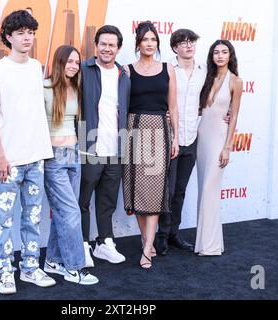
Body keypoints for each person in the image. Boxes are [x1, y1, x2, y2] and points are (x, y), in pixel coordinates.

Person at [0, 10, 56, 295]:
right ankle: (5, 271)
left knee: (33, 218)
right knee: (3, 220)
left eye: (31, 32)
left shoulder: (37, 67)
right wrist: (0, 155)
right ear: (8, 37)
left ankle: (30, 267)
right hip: (7, 161)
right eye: (21, 32)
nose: (28, 37)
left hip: (36, 158)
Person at [123, 21, 179, 269]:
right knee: (136, 188)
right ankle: (147, 239)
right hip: (133, 128)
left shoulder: (168, 69)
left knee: (155, 189)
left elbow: (173, 107)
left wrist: (176, 136)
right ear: (138, 43)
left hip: (159, 130)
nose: (149, 43)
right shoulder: (126, 70)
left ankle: (146, 248)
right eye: (145, 39)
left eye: (153, 39)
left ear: (157, 43)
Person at [42, 45, 98, 285]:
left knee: (65, 213)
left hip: (74, 154)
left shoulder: (76, 86)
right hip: (53, 157)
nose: (74, 66)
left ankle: (52, 260)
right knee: (71, 212)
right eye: (70, 62)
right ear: (60, 62)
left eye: (77, 62)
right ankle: (74, 267)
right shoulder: (44, 88)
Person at [78, 25, 130, 267]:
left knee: (108, 200)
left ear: (118, 49)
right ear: (96, 46)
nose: (107, 48)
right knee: (83, 201)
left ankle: (104, 242)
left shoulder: (124, 75)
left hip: (116, 148)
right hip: (89, 146)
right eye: (103, 44)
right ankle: (83, 245)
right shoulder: (82, 70)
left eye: (112, 45)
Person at [155, 29, 205, 255]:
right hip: (171, 137)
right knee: (168, 190)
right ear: (175, 48)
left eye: (191, 42)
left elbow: (210, 98)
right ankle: (162, 236)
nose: (188, 46)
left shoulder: (204, 71)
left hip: (192, 137)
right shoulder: (166, 69)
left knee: (181, 190)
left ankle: (174, 233)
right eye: (183, 43)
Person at [195, 39, 243, 256]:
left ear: (230, 55)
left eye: (224, 52)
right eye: (216, 52)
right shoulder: (206, 78)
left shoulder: (236, 81)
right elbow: (198, 109)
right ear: (212, 56)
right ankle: (203, 244)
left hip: (219, 140)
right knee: (203, 191)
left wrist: (227, 147)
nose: (220, 55)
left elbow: (233, 116)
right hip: (202, 138)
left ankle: (212, 246)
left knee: (209, 189)